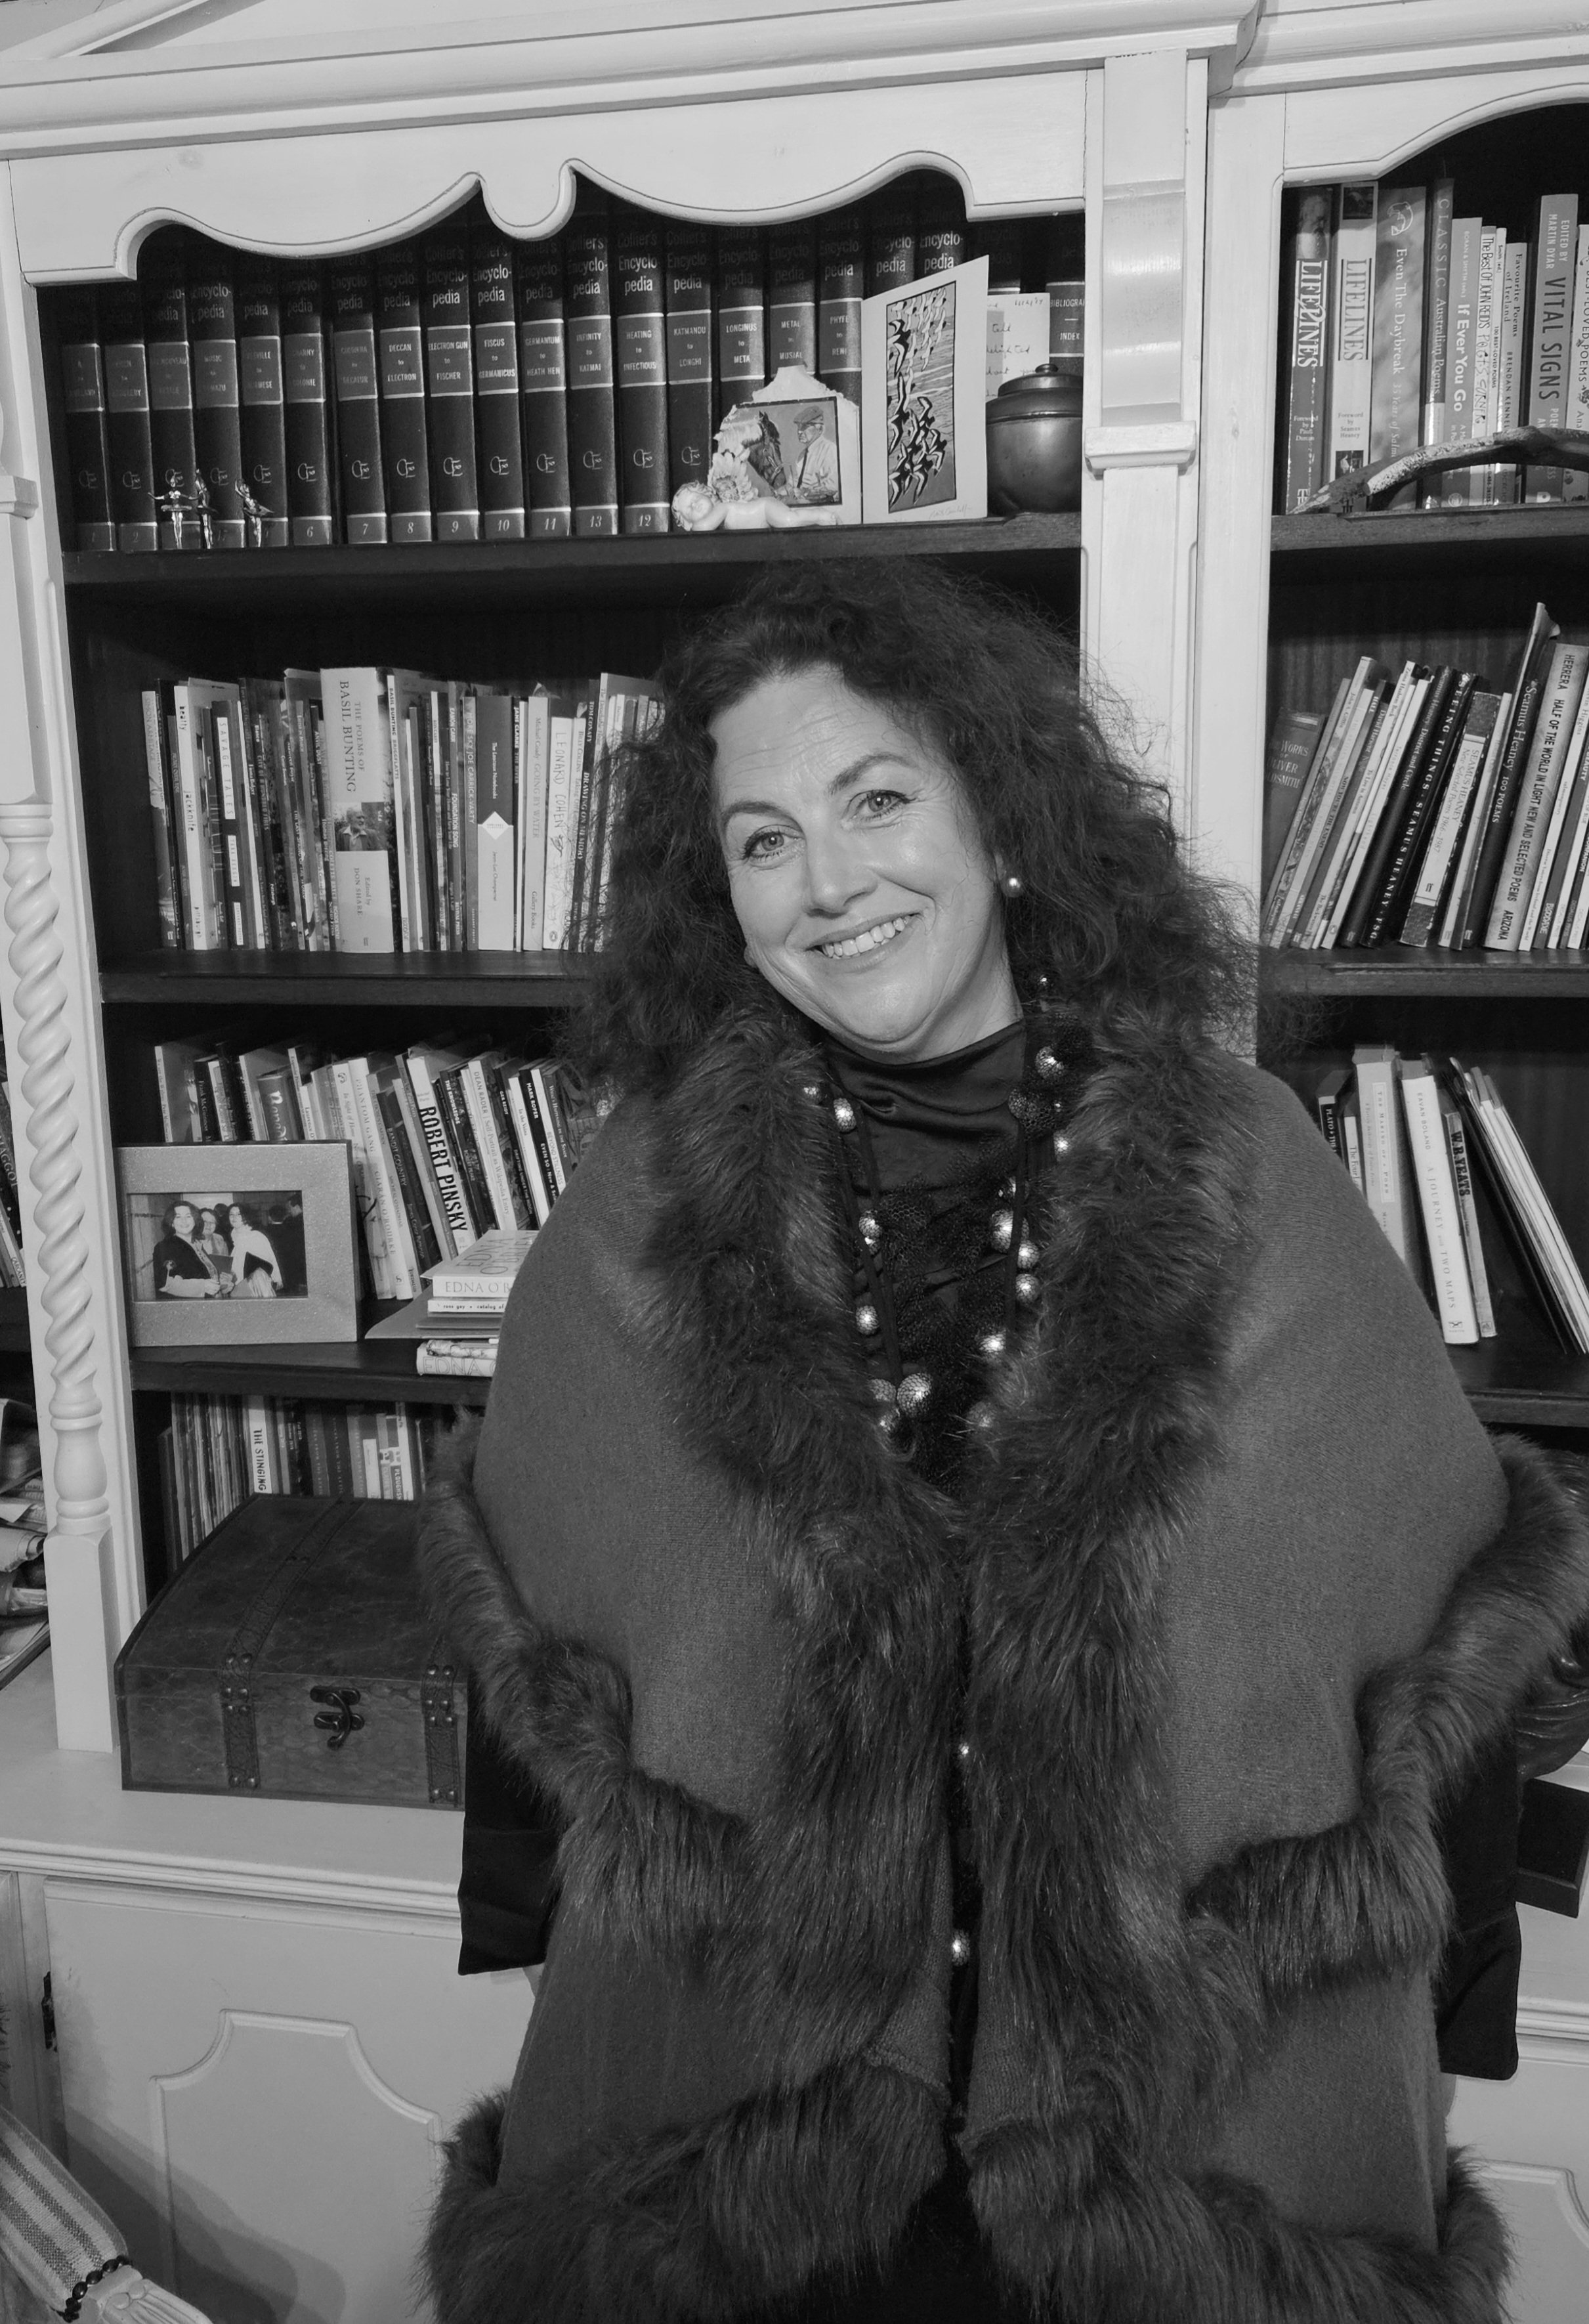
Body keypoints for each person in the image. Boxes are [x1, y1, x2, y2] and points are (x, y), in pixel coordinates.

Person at [418, 563, 1589, 2323]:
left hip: (1166, 2170)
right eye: (759, 839)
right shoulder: (642, 1202)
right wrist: (542, 1967)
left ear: (994, 808)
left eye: (875, 797)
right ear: (715, 897)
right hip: (742, 2173)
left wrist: (1436, 2020)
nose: (828, 881)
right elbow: (544, 1644)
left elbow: (1435, 1647)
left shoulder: (1242, 1173)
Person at [150, 1202, 226, 1300]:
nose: (184, 1221)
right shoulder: (165, 1246)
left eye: (188, 1216)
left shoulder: (196, 1244)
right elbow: (166, 1283)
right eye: (178, 1217)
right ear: (172, 1223)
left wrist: (220, 1284)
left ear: (195, 1221)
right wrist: (202, 1286)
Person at [222, 1202, 283, 1297]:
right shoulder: (234, 1238)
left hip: (254, 1289)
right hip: (238, 1288)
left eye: (239, 1214)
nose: (234, 1217)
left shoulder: (255, 1237)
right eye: (231, 1214)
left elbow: (269, 1264)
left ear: (246, 1217)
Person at [790, 405, 840, 503]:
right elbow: (794, 483)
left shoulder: (830, 450)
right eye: (799, 427)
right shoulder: (802, 456)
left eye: (805, 427)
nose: (800, 431)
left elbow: (834, 486)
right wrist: (784, 490)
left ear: (820, 430)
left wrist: (806, 492)